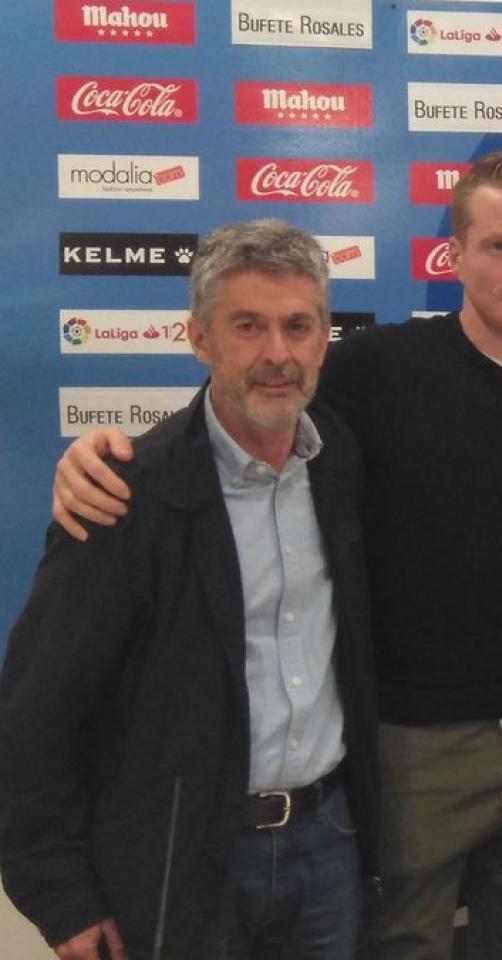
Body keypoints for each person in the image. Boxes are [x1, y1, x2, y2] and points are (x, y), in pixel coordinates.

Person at [47, 151, 502, 960]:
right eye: (500, 246)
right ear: (454, 256)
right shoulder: (369, 369)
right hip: (405, 749)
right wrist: (102, 459)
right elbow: (240, 416)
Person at [0, 219, 380, 960]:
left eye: (298, 326)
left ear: (324, 337)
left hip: (330, 843)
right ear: (200, 339)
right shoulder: (125, 495)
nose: (278, 353)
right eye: (248, 326)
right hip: (184, 859)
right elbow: (33, 716)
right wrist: (61, 897)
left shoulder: (344, 465)